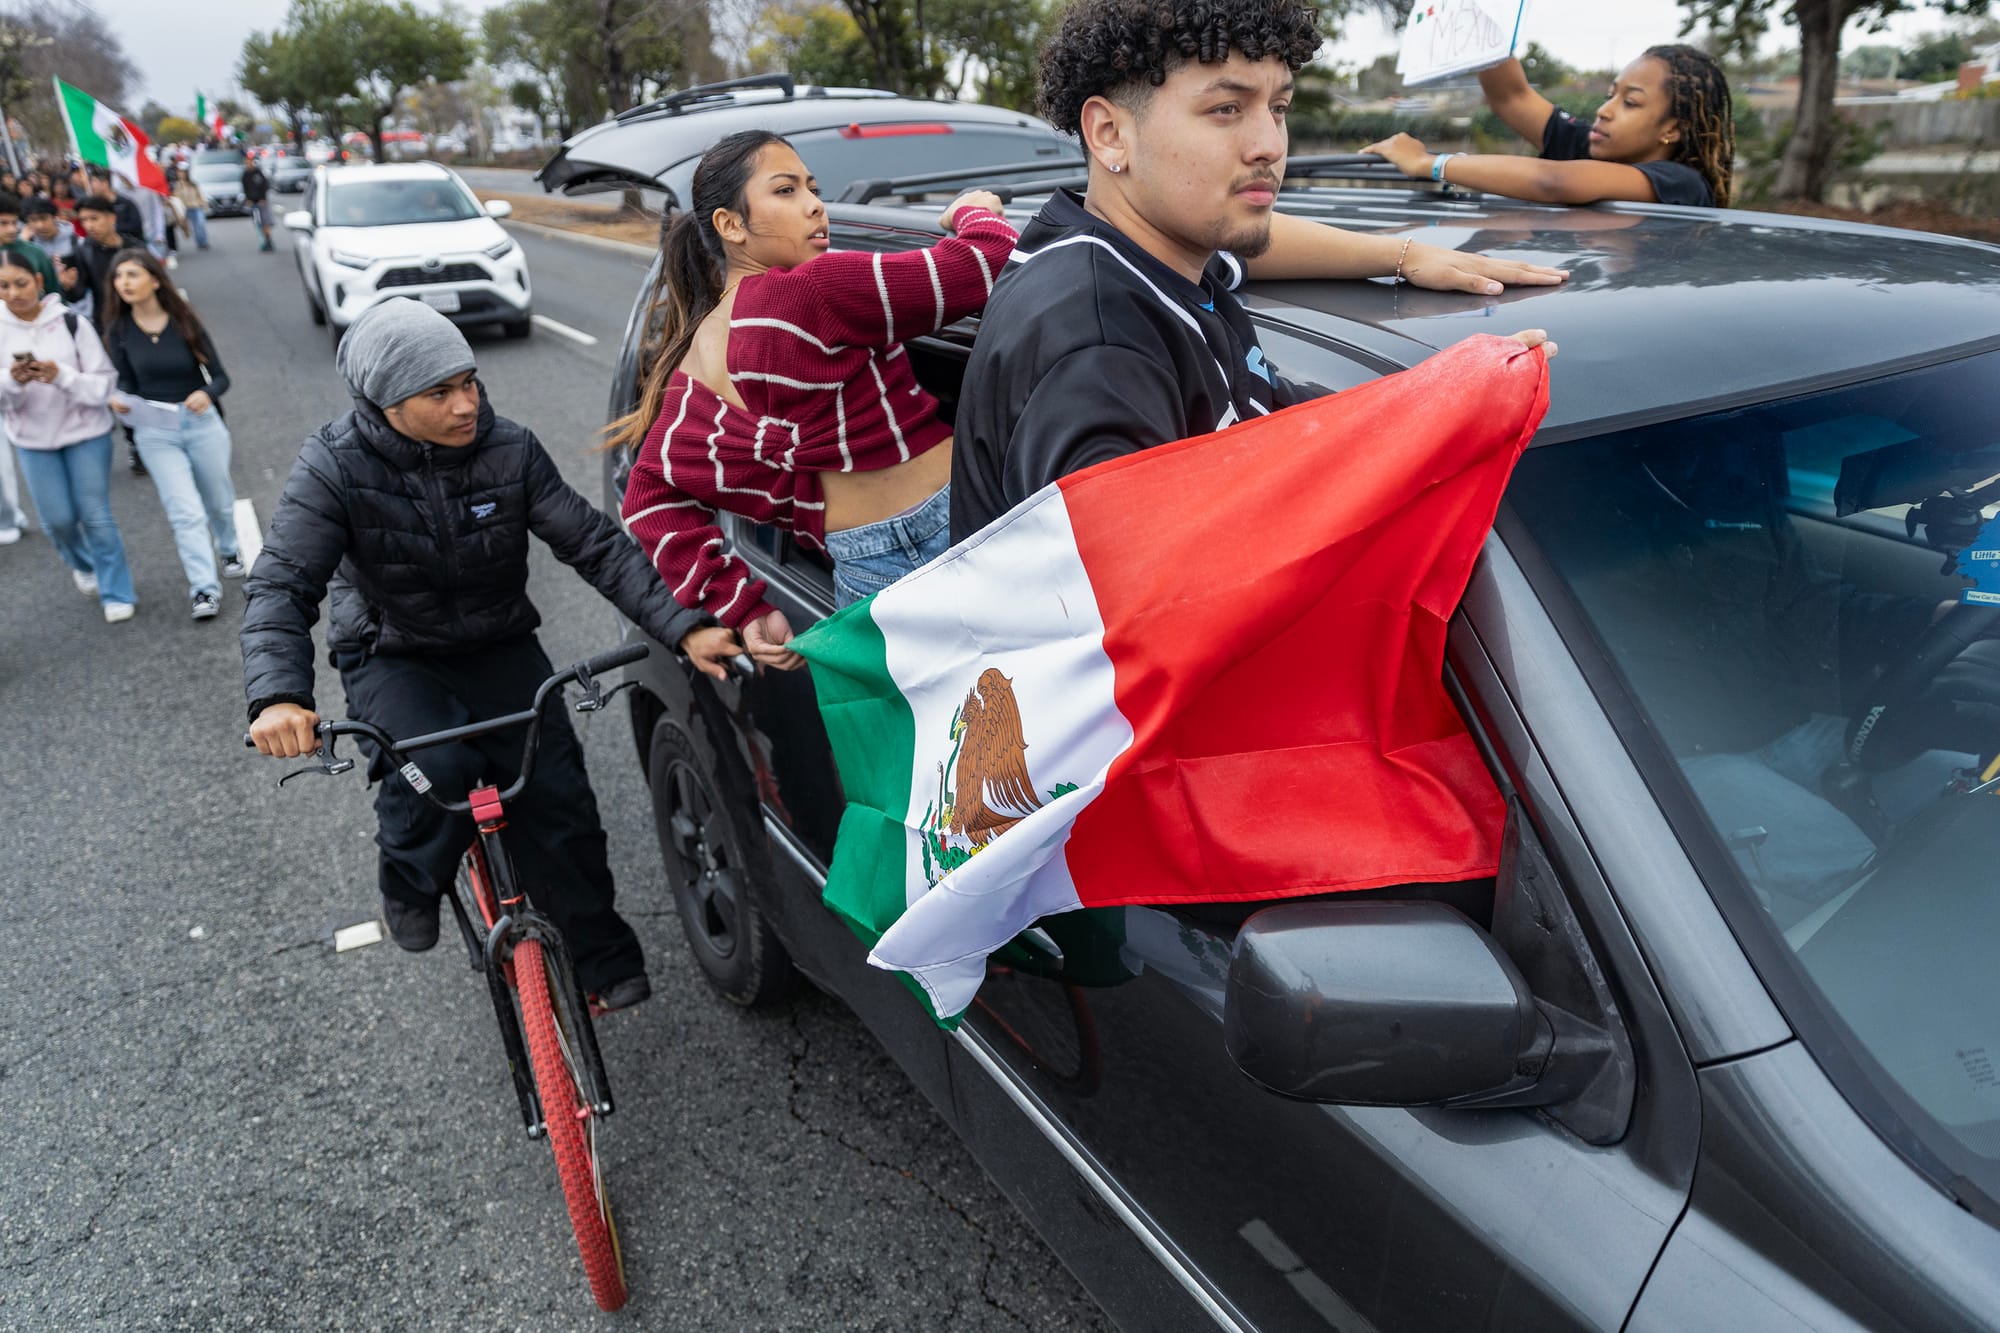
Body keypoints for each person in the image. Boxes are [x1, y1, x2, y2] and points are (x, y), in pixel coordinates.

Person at [241, 299, 730, 1008]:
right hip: (392, 651)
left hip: (499, 640)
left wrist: (682, 625)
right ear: (386, 402)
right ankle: (408, 881)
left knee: (559, 802)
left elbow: (594, 545)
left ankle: (600, 960)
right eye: (439, 392)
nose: (467, 404)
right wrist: (280, 696)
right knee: (434, 774)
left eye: (469, 381)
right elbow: (282, 583)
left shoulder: (510, 448)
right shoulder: (333, 466)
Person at [951, 0, 1558, 541]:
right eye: (1226, 109)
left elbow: (1259, 251)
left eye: (1279, 108)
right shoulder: (1100, 352)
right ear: (1110, 134)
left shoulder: (1147, 253)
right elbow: (1148, 609)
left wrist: (1411, 277)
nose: (1270, 143)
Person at [612, 130, 1020, 673]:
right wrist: (975, 210)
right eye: (786, 190)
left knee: (951, 728)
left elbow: (647, 498)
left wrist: (743, 607)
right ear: (731, 225)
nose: (814, 205)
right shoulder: (811, 290)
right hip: (964, 525)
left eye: (813, 188)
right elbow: (984, 263)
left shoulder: (693, 369)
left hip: (863, 572)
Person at [1359, 47, 1734, 208]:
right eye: (1610, 95)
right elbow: (1512, 98)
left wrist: (1430, 163)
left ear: (1672, 129)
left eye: (1630, 102)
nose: (1604, 110)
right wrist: (1479, 21)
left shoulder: (1683, 184)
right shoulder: (1597, 149)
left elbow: (1553, 181)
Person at [102, 249, 246, 620]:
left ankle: (229, 546)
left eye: (133, 274)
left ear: (154, 280)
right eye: (119, 277)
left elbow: (221, 377)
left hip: (200, 423)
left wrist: (206, 394)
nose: (124, 283)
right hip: (155, 431)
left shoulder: (184, 321)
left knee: (218, 499)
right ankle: (204, 589)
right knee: (185, 512)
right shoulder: (119, 331)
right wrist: (119, 400)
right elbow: (126, 383)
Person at [0, 251, 135, 616]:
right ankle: (84, 564)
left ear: (38, 282)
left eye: (20, 283)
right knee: (57, 521)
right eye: (3, 286)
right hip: (33, 441)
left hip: (87, 433)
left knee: (96, 515)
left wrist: (61, 376)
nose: (13, 293)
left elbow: (104, 385)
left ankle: (117, 591)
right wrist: (12, 382)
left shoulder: (72, 322)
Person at [20, 197, 78, 267]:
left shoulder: (75, 240)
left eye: (44, 218)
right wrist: (22, 244)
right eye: (33, 220)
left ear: (54, 217)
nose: (40, 226)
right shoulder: (27, 241)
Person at [169, 166, 209, 251]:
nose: (181, 174)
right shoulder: (177, 185)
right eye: (179, 172)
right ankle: (189, 235)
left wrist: (204, 205)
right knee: (185, 226)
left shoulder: (193, 184)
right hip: (185, 209)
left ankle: (202, 242)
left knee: (200, 224)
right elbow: (175, 198)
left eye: (183, 172)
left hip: (196, 206)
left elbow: (200, 195)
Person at [242, 157, 273, 251]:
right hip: (252, 201)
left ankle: (268, 240)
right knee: (257, 223)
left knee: (265, 222)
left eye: (250, 163)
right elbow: (245, 188)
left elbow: (265, 186)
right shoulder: (245, 175)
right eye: (246, 163)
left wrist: (262, 198)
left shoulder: (258, 173)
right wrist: (248, 199)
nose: (248, 165)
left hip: (261, 201)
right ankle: (262, 240)